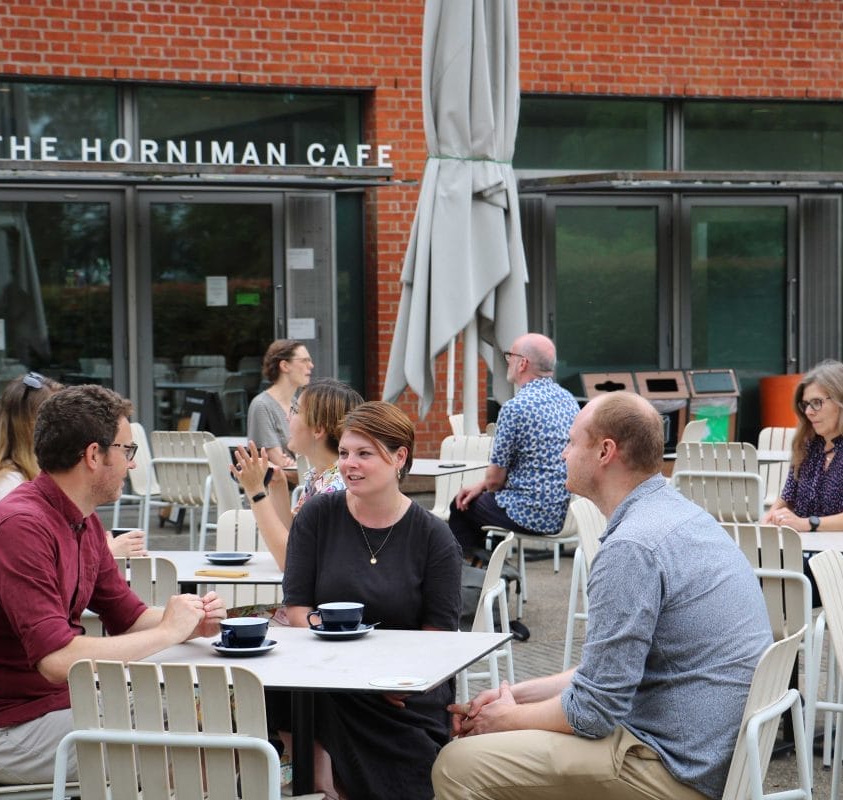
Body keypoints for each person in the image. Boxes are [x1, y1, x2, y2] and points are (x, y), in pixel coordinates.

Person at [432, 392, 772, 800]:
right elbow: (608, 676)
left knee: (458, 764)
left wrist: (506, 720)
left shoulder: (632, 548)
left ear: (605, 451)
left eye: (572, 442)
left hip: (673, 769)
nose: (562, 455)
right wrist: (517, 696)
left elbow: (593, 712)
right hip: (709, 751)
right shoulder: (679, 515)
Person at [0, 385, 226, 786]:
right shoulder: (21, 526)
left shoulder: (81, 518)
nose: (132, 465)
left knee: (214, 713)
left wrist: (192, 623)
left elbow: (128, 615)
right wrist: (169, 631)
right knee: (207, 750)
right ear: (93, 455)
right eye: (127, 450)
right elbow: (56, 661)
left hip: (45, 707)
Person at [278, 401, 462, 799]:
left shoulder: (434, 537)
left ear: (399, 457)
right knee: (286, 693)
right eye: (344, 453)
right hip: (328, 675)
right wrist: (347, 670)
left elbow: (439, 635)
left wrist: (392, 680)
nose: (349, 464)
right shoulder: (317, 517)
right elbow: (297, 609)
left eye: (364, 454)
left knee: (410, 771)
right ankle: (320, 787)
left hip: (403, 690)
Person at [0, 372, 146, 559]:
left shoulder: (10, 479)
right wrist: (108, 553)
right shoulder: (9, 490)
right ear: (41, 427)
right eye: (64, 420)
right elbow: (31, 562)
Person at [761, 359, 843, 599]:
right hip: (806, 557)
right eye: (806, 405)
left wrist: (807, 523)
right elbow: (786, 499)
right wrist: (769, 519)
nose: (809, 412)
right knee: (753, 573)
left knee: (772, 588)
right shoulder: (809, 447)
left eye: (817, 403)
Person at [448, 333, 579, 554]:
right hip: (565, 513)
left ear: (523, 363)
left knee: (461, 506)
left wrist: (483, 487)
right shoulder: (568, 399)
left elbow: (494, 481)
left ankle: (474, 579)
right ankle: (491, 570)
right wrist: (482, 487)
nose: (507, 360)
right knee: (486, 503)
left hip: (530, 514)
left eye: (510, 355)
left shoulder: (515, 408)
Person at [231, 377, 363, 570]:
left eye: (294, 411)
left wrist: (256, 492)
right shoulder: (323, 476)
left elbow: (291, 561)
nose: (287, 418)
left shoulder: (336, 489)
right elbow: (294, 537)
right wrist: (278, 484)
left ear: (318, 429)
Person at [247, 339, 313, 468]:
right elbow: (282, 467)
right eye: (304, 360)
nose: (311, 365)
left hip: (305, 483)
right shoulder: (262, 405)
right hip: (286, 487)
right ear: (284, 366)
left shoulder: (296, 403)